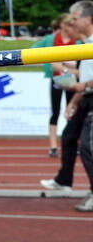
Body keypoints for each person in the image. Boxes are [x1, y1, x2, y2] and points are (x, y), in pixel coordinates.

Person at [41, 1, 93, 212]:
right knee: (73, 138)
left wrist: (82, 85)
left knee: (88, 146)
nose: (72, 21)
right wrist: (75, 100)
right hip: (86, 97)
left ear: (88, 19)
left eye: (76, 17)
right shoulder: (85, 44)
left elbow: (88, 79)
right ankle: (65, 180)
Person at [32, 14, 79, 157]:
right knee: (55, 112)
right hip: (56, 79)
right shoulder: (50, 39)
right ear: (62, 25)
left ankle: (72, 143)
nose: (71, 27)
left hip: (73, 79)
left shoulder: (76, 40)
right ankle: (53, 146)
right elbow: (32, 51)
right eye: (69, 24)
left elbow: (81, 61)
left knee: (72, 112)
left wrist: (64, 64)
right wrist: (50, 62)